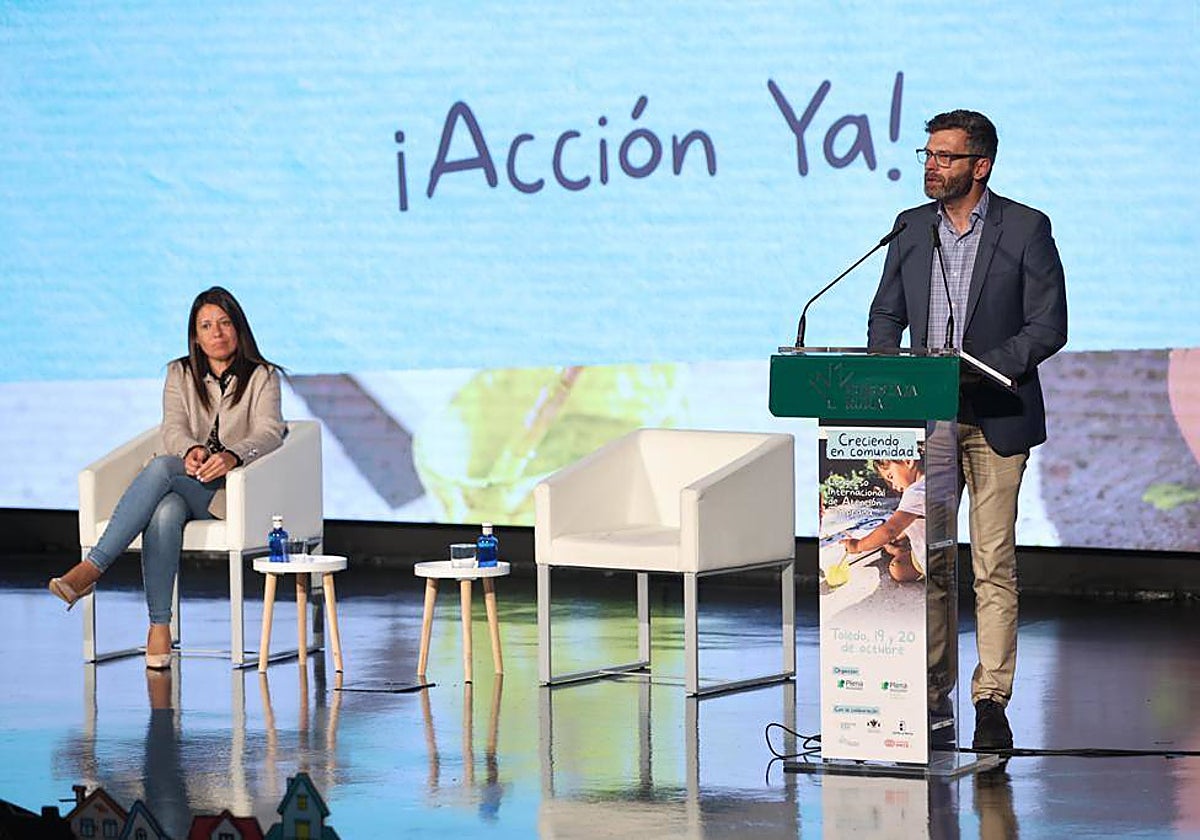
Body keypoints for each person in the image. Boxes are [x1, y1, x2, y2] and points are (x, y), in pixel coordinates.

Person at [866, 110, 1068, 751]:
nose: (932, 166)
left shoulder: (1027, 228)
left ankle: (991, 699)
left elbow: (1048, 326)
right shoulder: (910, 227)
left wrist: (984, 370)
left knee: (993, 562)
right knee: (929, 563)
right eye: (928, 154)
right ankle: (926, 692)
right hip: (928, 421)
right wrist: (885, 381)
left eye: (947, 157)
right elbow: (885, 312)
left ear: (981, 166)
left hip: (996, 415)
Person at [49, 287, 285, 669]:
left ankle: (92, 569)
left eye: (225, 323)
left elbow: (271, 431)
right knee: (165, 510)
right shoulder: (179, 373)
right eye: (206, 326)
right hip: (186, 480)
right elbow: (172, 428)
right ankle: (159, 626)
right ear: (195, 335)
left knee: (159, 469)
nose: (217, 333)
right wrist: (190, 451)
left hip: (231, 493)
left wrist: (230, 456)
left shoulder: (263, 376)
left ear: (239, 328)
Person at [841, 457, 926, 584]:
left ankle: (899, 552)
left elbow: (890, 530)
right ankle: (899, 550)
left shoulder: (915, 492)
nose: (894, 486)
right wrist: (900, 535)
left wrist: (858, 545)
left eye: (891, 476)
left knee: (897, 568)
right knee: (894, 547)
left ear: (908, 460)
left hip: (934, 562)